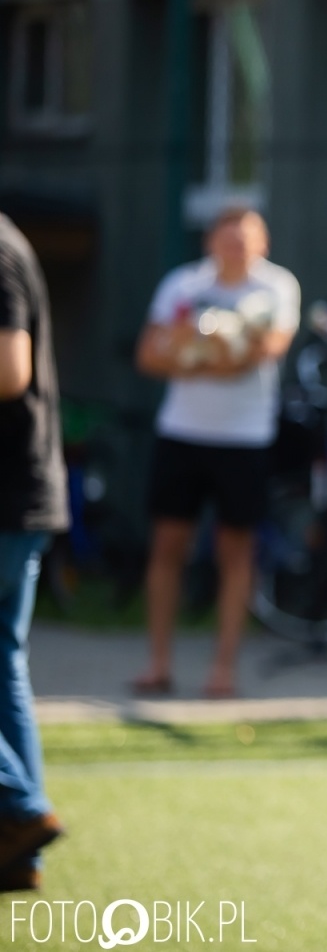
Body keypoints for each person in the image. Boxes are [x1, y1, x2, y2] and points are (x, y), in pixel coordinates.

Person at [133, 208, 300, 698]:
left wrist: (193, 352)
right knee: (167, 546)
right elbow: (150, 353)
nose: (235, 249)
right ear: (210, 242)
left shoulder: (276, 289)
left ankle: (223, 669)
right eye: (227, 239)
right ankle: (158, 663)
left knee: (235, 551)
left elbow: (259, 353)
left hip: (245, 439)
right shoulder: (181, 285)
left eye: (245, 240)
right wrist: (209, 353)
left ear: (262, 244)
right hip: (181, 433)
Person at [0, 215, 68, 891]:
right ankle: (18, 852)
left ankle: (20, 806)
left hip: (7, 495)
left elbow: (8, 368)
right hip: (23, 494)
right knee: (3, 666)